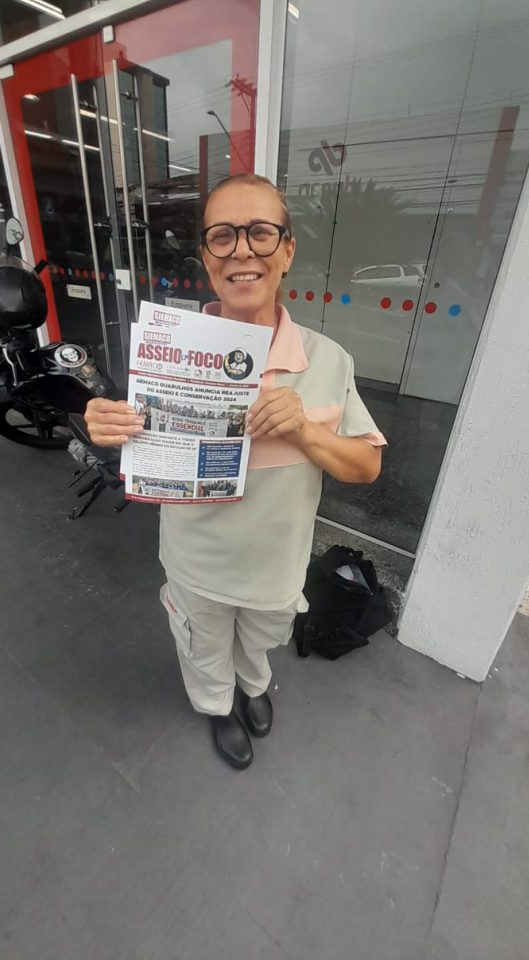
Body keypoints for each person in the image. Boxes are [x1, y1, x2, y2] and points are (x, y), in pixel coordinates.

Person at [85, 174, 386, 770]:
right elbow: (141, 444)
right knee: (202, 646)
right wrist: (109, 427)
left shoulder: (329, 360)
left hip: (278, 567)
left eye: (260, 233)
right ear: (205, 257)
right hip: (197, 564)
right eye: (222, 236)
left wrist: (304, 430)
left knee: (262, 641)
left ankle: (252, 688)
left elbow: (367, 466)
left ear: (287, 250)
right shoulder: (171, 352)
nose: (242, 250)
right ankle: (217, 706)